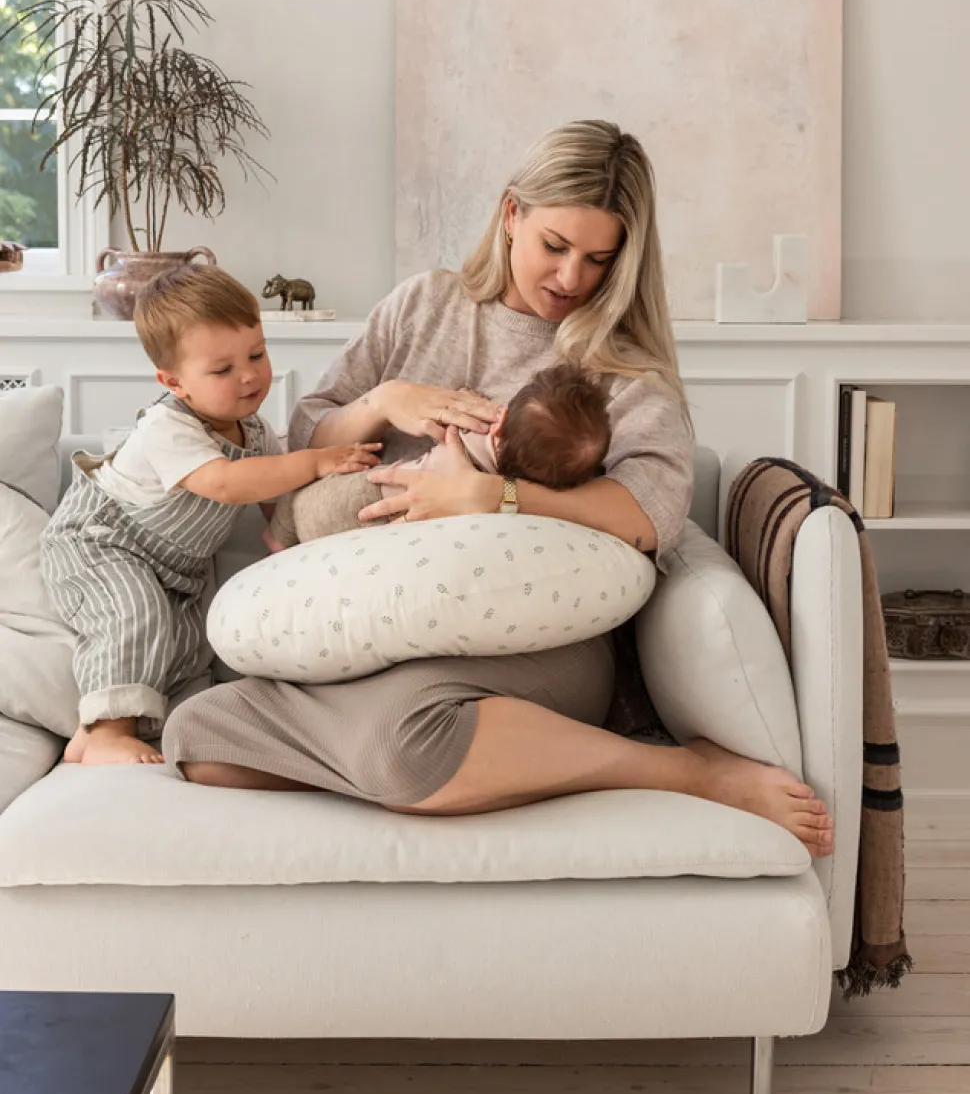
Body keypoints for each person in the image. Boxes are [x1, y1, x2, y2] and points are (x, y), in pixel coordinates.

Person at [163, 121, 834, 857]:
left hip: (528, 643)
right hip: (373, 631)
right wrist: (385, 400)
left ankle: (683, 772)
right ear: (512, 214)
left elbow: (651, 515)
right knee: (199, 736)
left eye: (599, 259)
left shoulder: (624, 371)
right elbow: (306, 437)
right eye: (556, 246)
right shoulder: (423, 306)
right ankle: (425, 758)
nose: (571, 278)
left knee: (404, 742)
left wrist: (492, 498)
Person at [41, 265, 380, 767]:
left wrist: (295, 548)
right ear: (174, 382)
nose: (249, 376)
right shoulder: (166, 427)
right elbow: (223, 482)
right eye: (222, 370)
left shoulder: (256, 432)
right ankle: (103, 732)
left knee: (187, 645)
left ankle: (147, 727)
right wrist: (313, 461)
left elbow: (277, 504)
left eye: (257, 355)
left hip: (175, 567)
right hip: (103, 542)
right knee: (132, 611)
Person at [266, 362, 612, 548]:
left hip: (356, 495)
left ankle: (277, 539)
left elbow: (451, 424)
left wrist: (467, 398)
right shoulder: (509, 495)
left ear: (499, 422)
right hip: (364, 535)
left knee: (296, 504)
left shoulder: (467, 439)